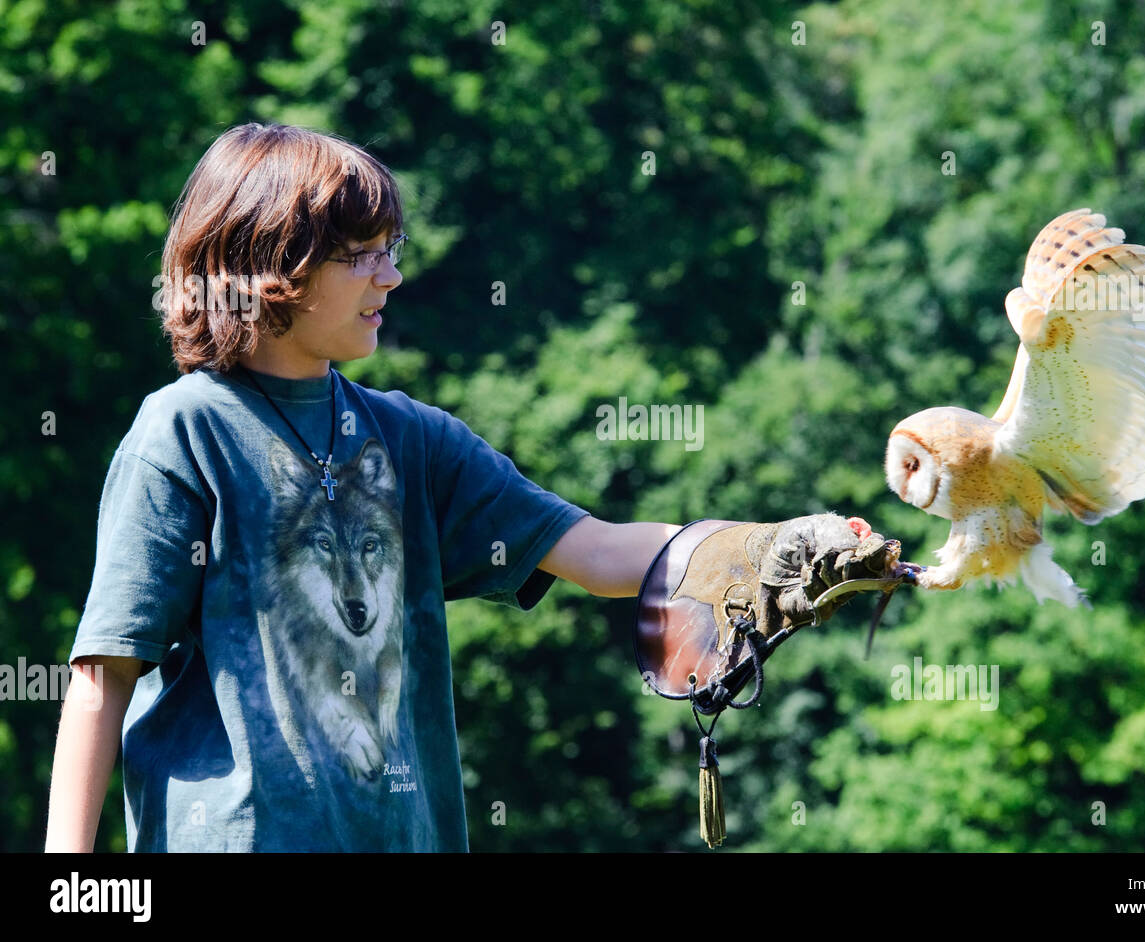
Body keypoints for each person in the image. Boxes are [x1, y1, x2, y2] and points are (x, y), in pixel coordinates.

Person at [45, 123, 891, 852]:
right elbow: (103, 673)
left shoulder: (410, 438)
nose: (391, 278)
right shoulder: (184, 432)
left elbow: (592, 550)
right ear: (273, 269)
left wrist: (770, 548)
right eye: (361, 257)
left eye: (392, 251)